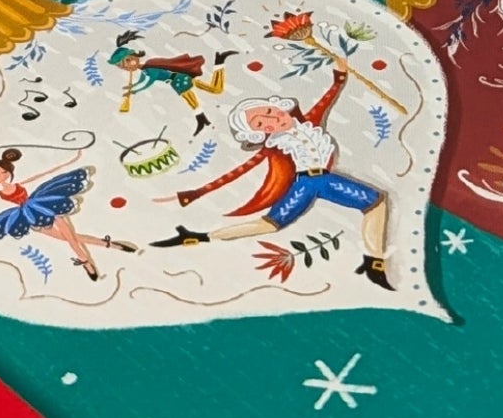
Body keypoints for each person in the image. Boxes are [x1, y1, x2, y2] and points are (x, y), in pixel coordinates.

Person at [152, 63, 394, 290]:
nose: (271, 119)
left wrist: (339, 78)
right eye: (260, 122)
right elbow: (237, 172)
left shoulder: (308, 124)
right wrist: (194, 193)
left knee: (375, 201)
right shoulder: (275, 145)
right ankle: (199, 237)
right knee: (268, 225)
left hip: (325, 181)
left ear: (278, 106)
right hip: (305, 184)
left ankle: (374, 262)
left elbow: (325, 101)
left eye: (268, 111)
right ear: (261, 133)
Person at [0, 147, 130, 280]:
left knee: (70, 238)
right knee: (67, 238)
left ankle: (87, 262)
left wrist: (71, 159)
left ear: (8, 173)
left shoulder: (18, 183)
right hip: (28, 216)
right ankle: (110, 245)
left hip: (44, 204)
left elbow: (45, 173)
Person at [111, 41, 237, 134]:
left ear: (134, 56)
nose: (127, 67)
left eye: (128, 61)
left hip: (178, 80)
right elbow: (142, 80)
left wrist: (133, 91)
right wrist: (132, 87)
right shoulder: (146, 69)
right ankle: (219, 61)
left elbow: (147, 82)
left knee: (193, 99)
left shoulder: (149, 69)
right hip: (177, 80)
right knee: (209, 92)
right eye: (122, 66)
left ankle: (202, 120)